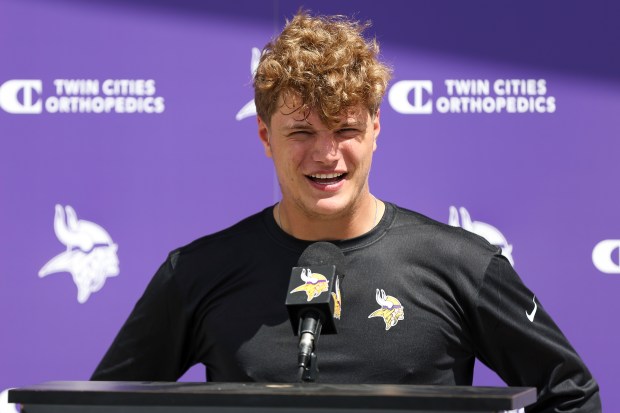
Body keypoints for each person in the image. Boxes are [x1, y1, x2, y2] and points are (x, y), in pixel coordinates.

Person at [92, 11, 601, 413]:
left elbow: (570, 393)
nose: (326, 154)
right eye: (302, 132)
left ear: (375, 129)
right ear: (266, 137)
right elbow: (98, 407)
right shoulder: (200, 272)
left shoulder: (463, 264)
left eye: (345, 130)